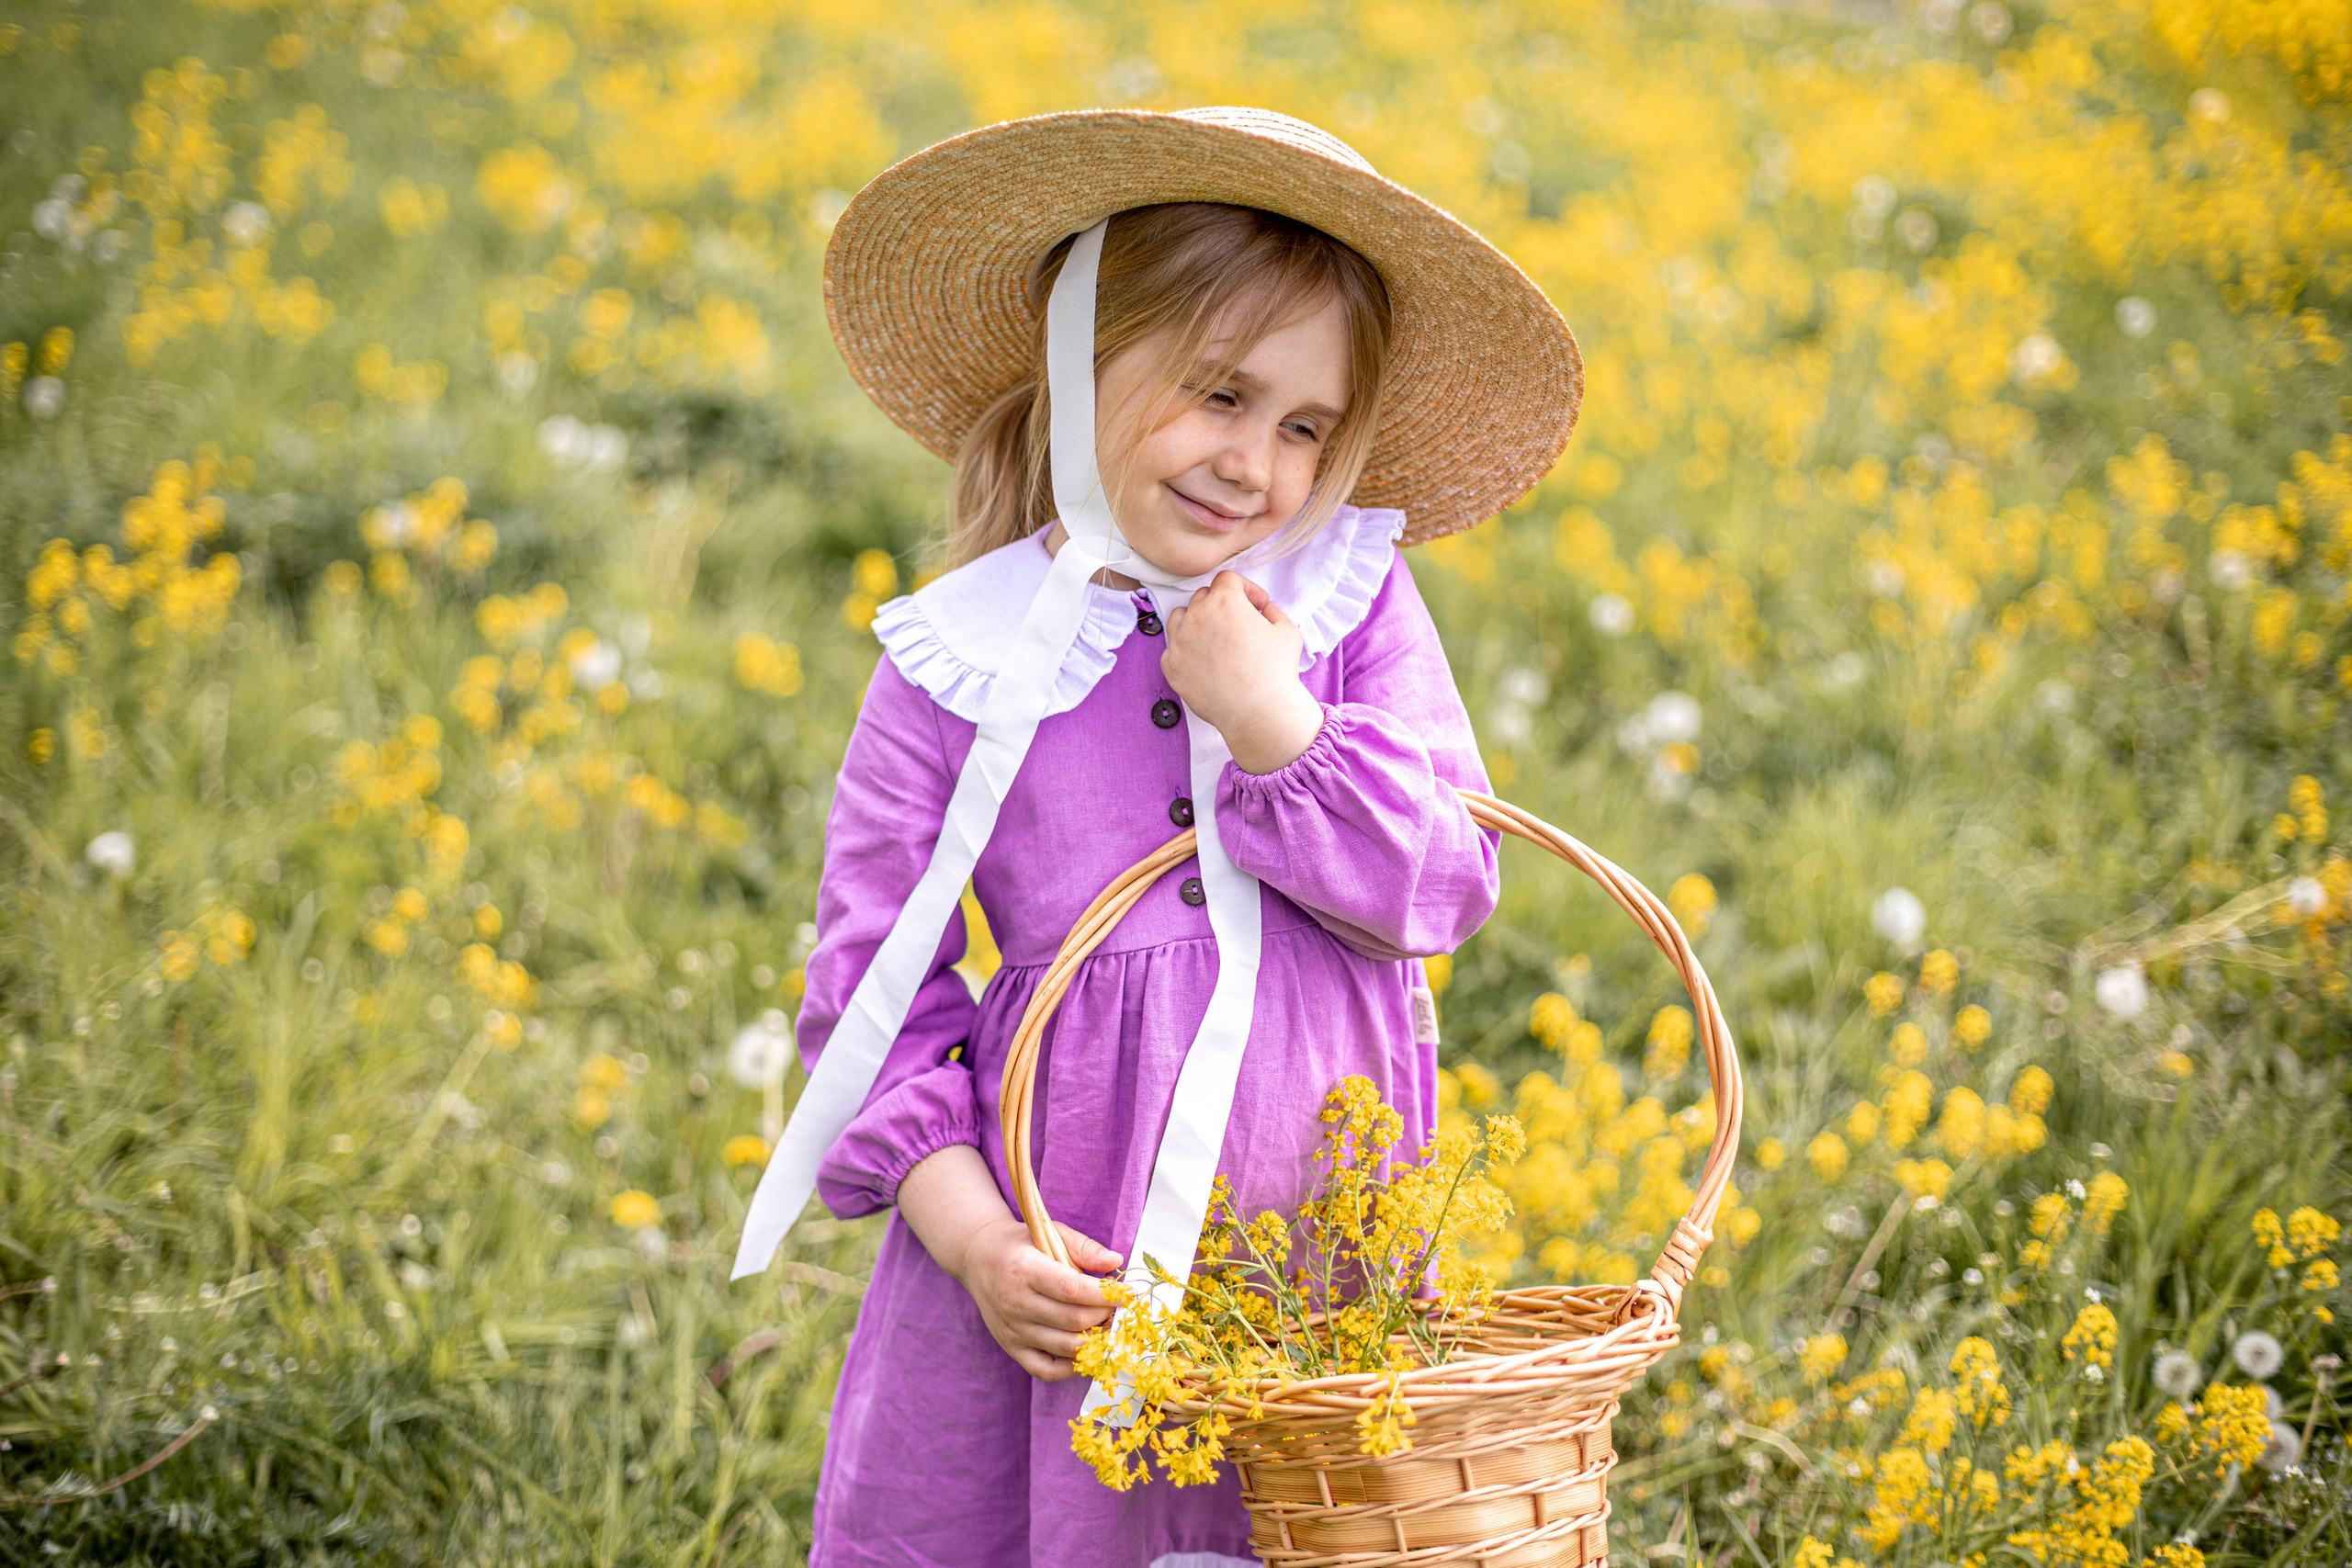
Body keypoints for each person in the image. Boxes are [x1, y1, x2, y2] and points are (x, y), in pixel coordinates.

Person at [729, 107, 1583, 1567]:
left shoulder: (1344, 609)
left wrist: (1275, 723)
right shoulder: (956, 660)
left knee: (1308, 1523)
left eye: (1304, 427)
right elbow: (873, 997)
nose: (1254, 462)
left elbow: (1444, 885)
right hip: (1066, 1247)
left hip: (1313, 1241)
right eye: (1220, 394)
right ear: (1085, 363)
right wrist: (977, 1240)